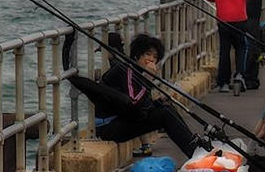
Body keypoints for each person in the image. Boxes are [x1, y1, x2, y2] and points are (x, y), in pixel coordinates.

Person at [66, 31, 206, 158]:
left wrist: (156, 100)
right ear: (137, 55)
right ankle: (194, 152)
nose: (151, 59)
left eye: (155, 57)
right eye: (147, 54)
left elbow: (141, 104)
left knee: (166, 108)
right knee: (165, 115)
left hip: (122, 119)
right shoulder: (126, 71)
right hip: (109, 127)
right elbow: (134, 103)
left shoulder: (135, 71)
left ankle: (194, 145)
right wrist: (149, 78)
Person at [203, 0, 255, 92]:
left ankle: (223, 83)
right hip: (240, 18)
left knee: (224, 50)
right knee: (242, 47)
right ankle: (239, 75)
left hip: (223, 18)